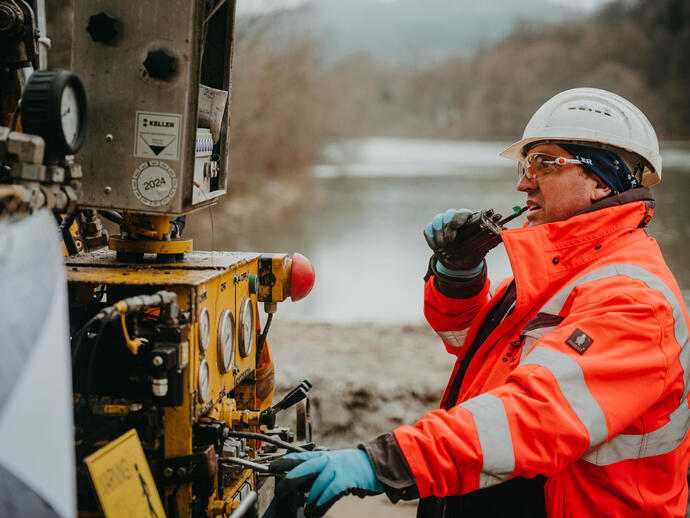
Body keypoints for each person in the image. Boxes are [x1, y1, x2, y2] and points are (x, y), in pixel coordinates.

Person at [271, 88, 690, 518]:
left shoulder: (634, 302)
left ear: (601, 181)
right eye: (527, 165)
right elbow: (474, 343)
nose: (523, 182)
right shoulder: (566, 271)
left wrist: (385, 462)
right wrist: (459, 273)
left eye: (544, 163)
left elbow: (535, 416)